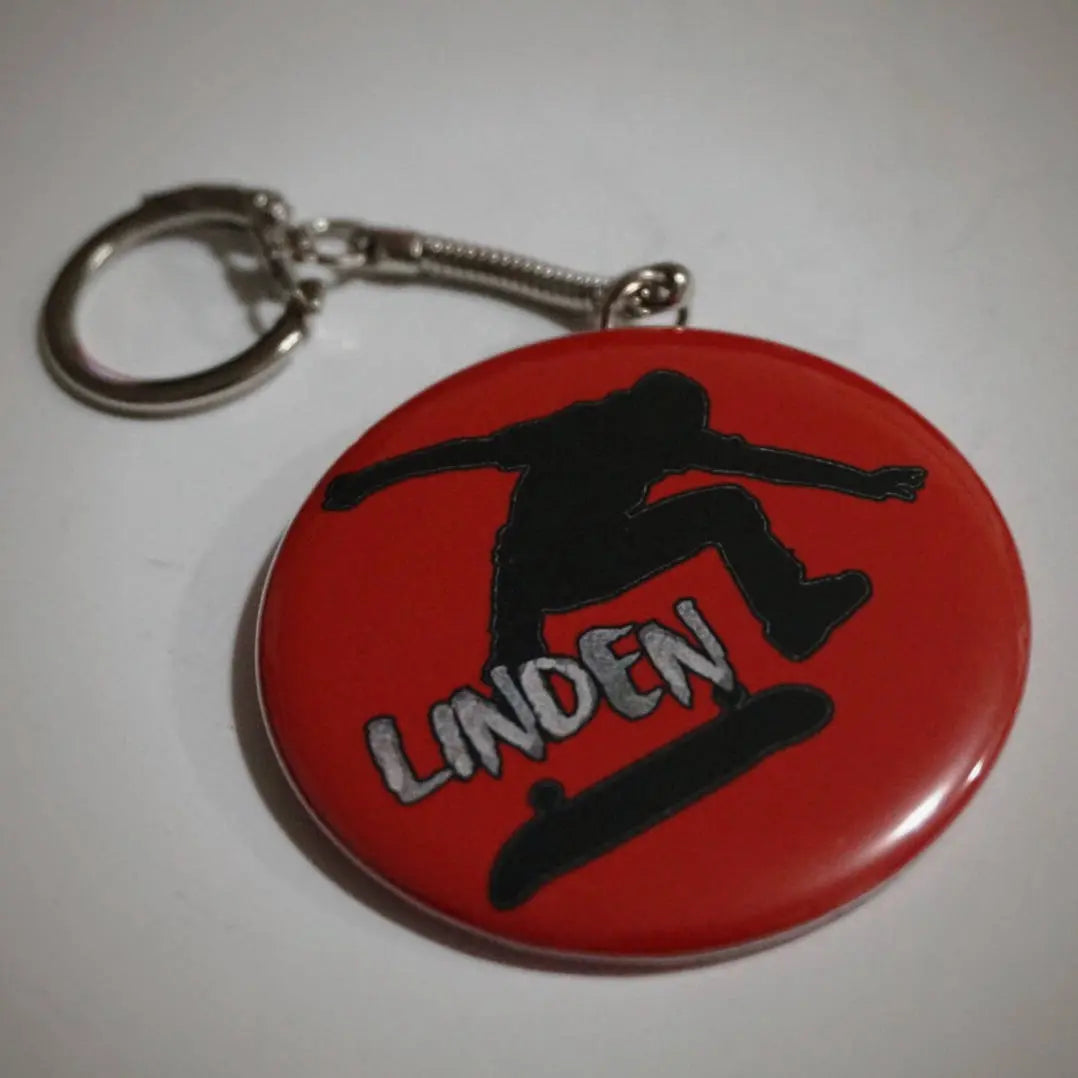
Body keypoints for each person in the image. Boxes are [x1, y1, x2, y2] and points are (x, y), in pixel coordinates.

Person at [324, 370, 925, 673]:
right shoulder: (572, 429)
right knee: (724, 505)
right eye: (678, 434)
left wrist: (867, 483)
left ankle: (791, 612)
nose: (680, 446)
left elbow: (767, 462)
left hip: (590, 558)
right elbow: (464, 451)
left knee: (727, 503)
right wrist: (367, 479)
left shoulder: (663, 436)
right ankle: (513, 665)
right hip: (534, 575)